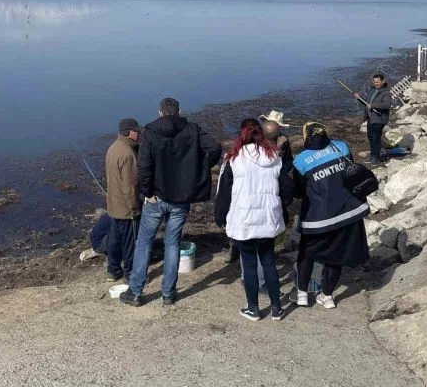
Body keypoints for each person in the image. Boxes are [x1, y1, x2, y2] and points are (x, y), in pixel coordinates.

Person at [120, 97, 222, 307]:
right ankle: (168, 293)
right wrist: (198, 171)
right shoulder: (193, 129)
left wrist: (147, 192)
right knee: (172, 243)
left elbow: (144, 167)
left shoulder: (149, 132)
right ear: (179, 111)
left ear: (160, 113)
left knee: (144, 243)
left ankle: (136, 291)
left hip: (156, 197)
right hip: (181, 197)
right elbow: (214, 149)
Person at [215, 118, 293, 321]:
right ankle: (277, 308)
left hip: (244, 220)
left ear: (241, 135)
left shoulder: (234, 159)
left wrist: (220, 216)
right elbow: (287, 190)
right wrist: (280, 206)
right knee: (268, 262)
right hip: (268, 218)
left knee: (249, 265)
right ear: (261, 134)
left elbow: (224, 193)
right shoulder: (275, 157)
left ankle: (253, 308)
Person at [292, 122, 370, 309]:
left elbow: (298, 191)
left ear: (306, 137)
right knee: (337, 254)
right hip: (348, 211)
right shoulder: (340, 147)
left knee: (307, 252)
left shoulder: (301, 160)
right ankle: (327, 296)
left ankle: (302, 293)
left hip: (319, 217)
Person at [104, 118, 143, 282]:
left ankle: (113, 270)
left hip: (114, 205)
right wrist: (135, 209)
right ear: (129, 132)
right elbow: (130, 187)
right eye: (137, 131)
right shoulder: (128, 154)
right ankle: (130, 273)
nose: (139, 133)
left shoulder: (113, 148)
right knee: (130, 243)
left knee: (115, 240)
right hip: (127, 209)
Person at [354, 73, 392, 165]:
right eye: (374, 82)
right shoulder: (372, 90)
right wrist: (359, 98)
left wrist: (374, 105)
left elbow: (387, 105)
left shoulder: (386, 92)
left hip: (379, 119)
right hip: (370, 118)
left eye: (378, 82)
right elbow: (366, 103)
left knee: (376, 138)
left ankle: (376, 159)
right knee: (371, 138)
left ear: (383, 81)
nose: (376, 83)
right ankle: (372, 157)